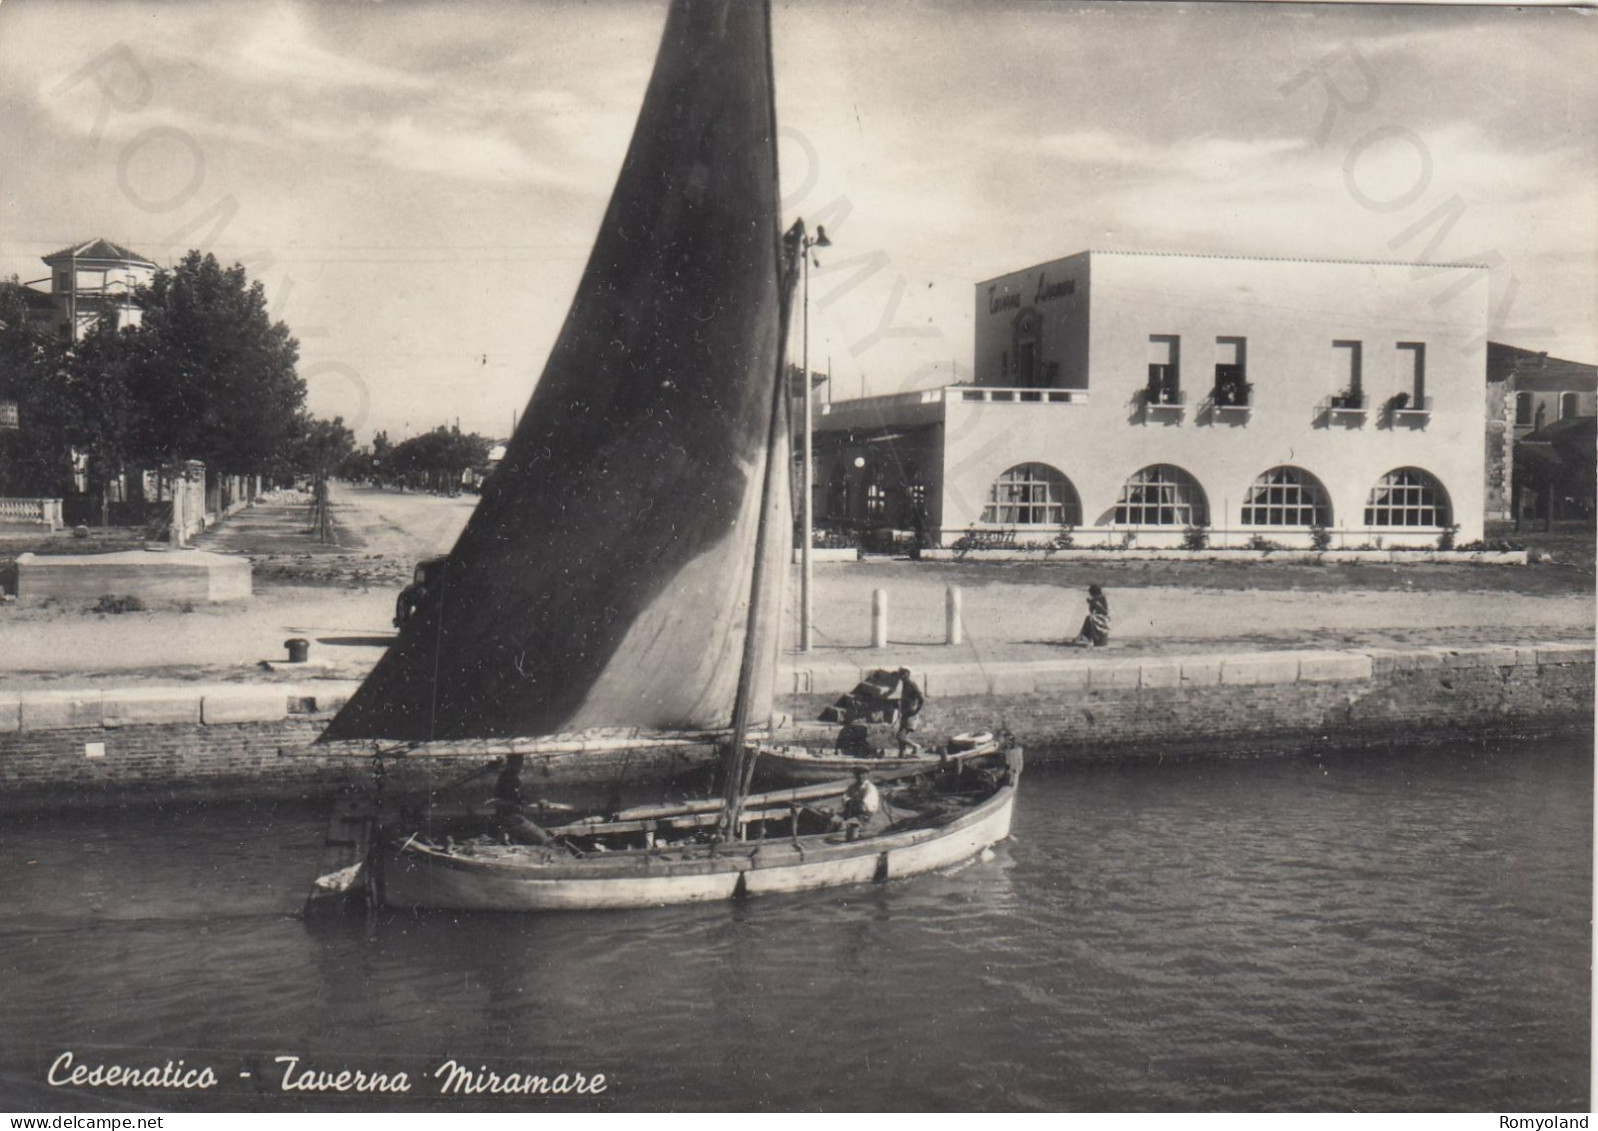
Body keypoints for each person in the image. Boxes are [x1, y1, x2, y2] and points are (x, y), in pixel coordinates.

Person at [891, 666, 925, 756]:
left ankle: (915, 746)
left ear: (908, 674)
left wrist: (916, 710)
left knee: (899, 736)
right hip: (905, 714)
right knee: (902, 736)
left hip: (910, 714)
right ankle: (902, 754)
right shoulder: (904, 684)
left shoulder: (911, 684)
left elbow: (921, 698)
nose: (902, 676)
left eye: (904, 674)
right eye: (901, 674)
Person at [839, 767, 881, 840]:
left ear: (866, 775)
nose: (860, 776)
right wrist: (848, 802)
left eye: (862, 774)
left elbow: (866, 805)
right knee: (836, 821)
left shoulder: (870, 788)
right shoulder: (852, 787)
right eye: (858, 774)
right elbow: (845, 797)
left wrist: (853, 802)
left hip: (864, 816)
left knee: (847, 826)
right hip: (852, 812)